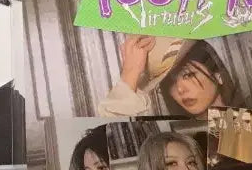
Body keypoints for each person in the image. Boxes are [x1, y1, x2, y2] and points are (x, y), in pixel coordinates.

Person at [98, 36, 239, 118]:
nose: (180, 89)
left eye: (188, 75)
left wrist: (130, 73)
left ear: (218, 75)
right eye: (170, 82)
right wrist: (130, 73)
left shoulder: (243, 126)